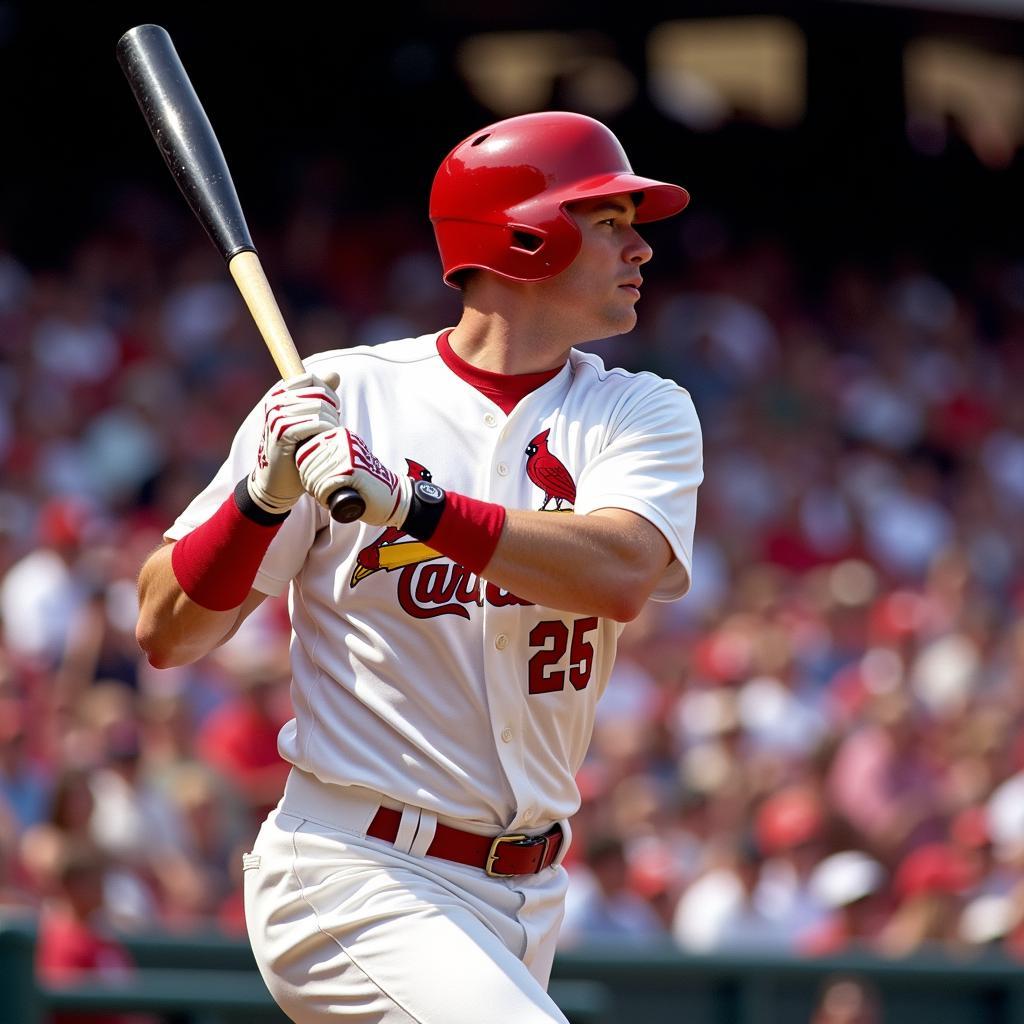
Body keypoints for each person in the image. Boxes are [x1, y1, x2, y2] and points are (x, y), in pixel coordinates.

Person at [135, 111, 702, 1024]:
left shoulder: (640, 411)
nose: (639, 248)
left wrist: (409, 503)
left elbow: (622, 572)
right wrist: (264, 498)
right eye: (608, 222)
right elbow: (166, 629)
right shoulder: (347, 393)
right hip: (354, 865)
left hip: (529, 888)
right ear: (525, 234)